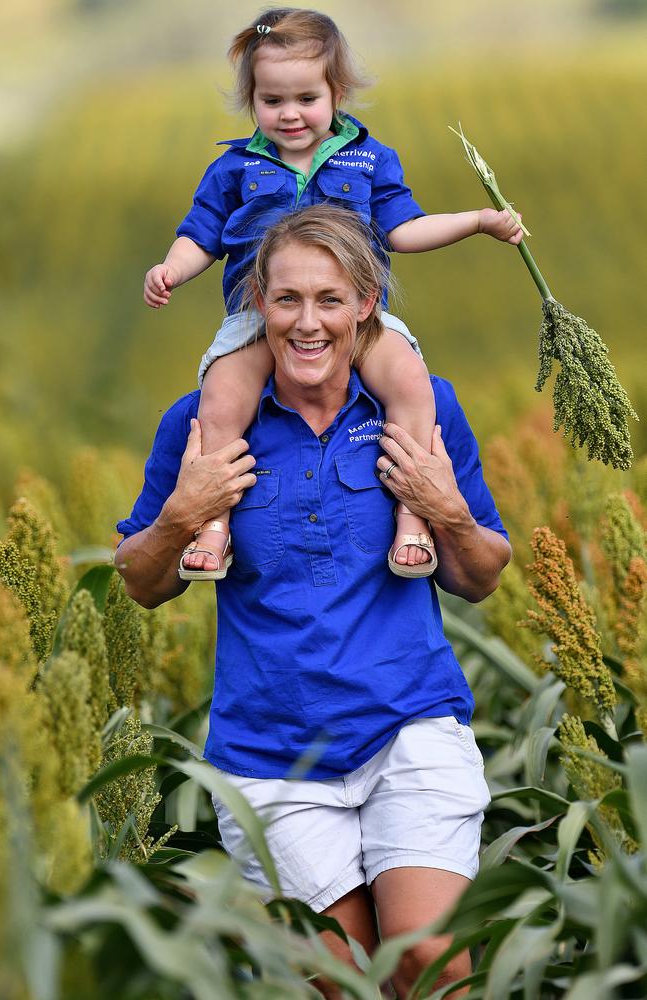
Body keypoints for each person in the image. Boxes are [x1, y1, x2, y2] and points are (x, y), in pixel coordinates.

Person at [120, 204, 511, 998]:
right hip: (271, 754)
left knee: (427, 962)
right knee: (338, 980)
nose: (308, 323)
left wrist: (447, 508)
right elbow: (140, 580)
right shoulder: (203, 422)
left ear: (367, 304)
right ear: (257, 301)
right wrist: (182, 513)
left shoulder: (418, 408)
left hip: (409, 726)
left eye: (330, 300)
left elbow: (480, 573)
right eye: (288, 298)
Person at [142, 6, 522, 584]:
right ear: (252, 101)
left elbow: (402, 230)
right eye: (272, 101)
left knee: (411, 382)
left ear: (336, 92)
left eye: (305, 99)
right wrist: (170, 270)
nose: (289, 114)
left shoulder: (369, 160)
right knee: (219, 399)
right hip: (256, 317)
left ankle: (415, 516)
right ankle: (212, 526)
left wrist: (475, 221)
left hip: (357, 322)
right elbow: (200, 234)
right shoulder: (234, 167)